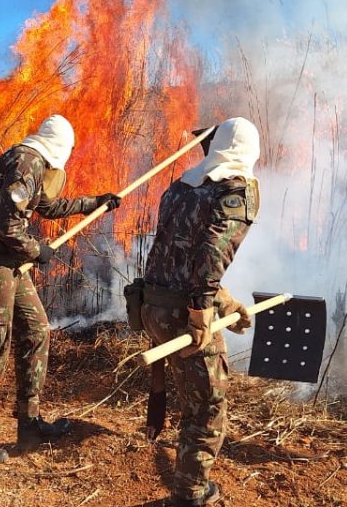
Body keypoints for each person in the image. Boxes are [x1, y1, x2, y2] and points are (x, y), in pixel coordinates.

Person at [0, 114, 122, 466]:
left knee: (36, 330)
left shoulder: (29, 161)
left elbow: (47, 206)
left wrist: (95, 202)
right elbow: (6, 225)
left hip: (6, 262)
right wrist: (36, 251)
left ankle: (29, 424)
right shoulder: (26, 161)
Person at [140, 117, 260, 506]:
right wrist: (200, 314)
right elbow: (209, 258)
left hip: (152, 306)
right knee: (208, 407)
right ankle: (190, 495)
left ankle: (188, 483)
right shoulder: (237, 190)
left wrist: (227, 303)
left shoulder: (182, 186)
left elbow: (178, 255)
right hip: (182, 314)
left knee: (193, 398)